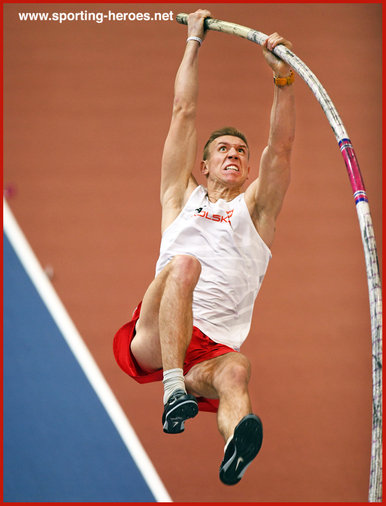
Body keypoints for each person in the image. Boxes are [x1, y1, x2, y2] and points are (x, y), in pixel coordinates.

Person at [113, 9, 295, 486]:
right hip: (156, 333)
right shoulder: (181, 197)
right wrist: (194, 40)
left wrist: (282, 79)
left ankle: (235, 447)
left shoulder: (255, 212)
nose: (233, 154)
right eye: (224, 150)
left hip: (210, 350)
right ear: (206, 165)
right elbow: (183, 112)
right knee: (185, 265)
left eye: (240, 151)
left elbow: (280, 150)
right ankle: (172, 391)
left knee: (237, 369)